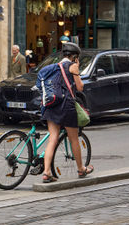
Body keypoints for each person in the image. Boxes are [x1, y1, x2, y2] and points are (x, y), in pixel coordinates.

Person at [41, 42, 94, 183]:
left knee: (53, 137)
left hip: (51, 105)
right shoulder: (72, 66)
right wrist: (76, 70)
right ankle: (81, 169)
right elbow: (80, 87)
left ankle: (46, 172)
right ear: (74, 56)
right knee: (74, 138)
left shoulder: (54, 67)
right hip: (66, 106)